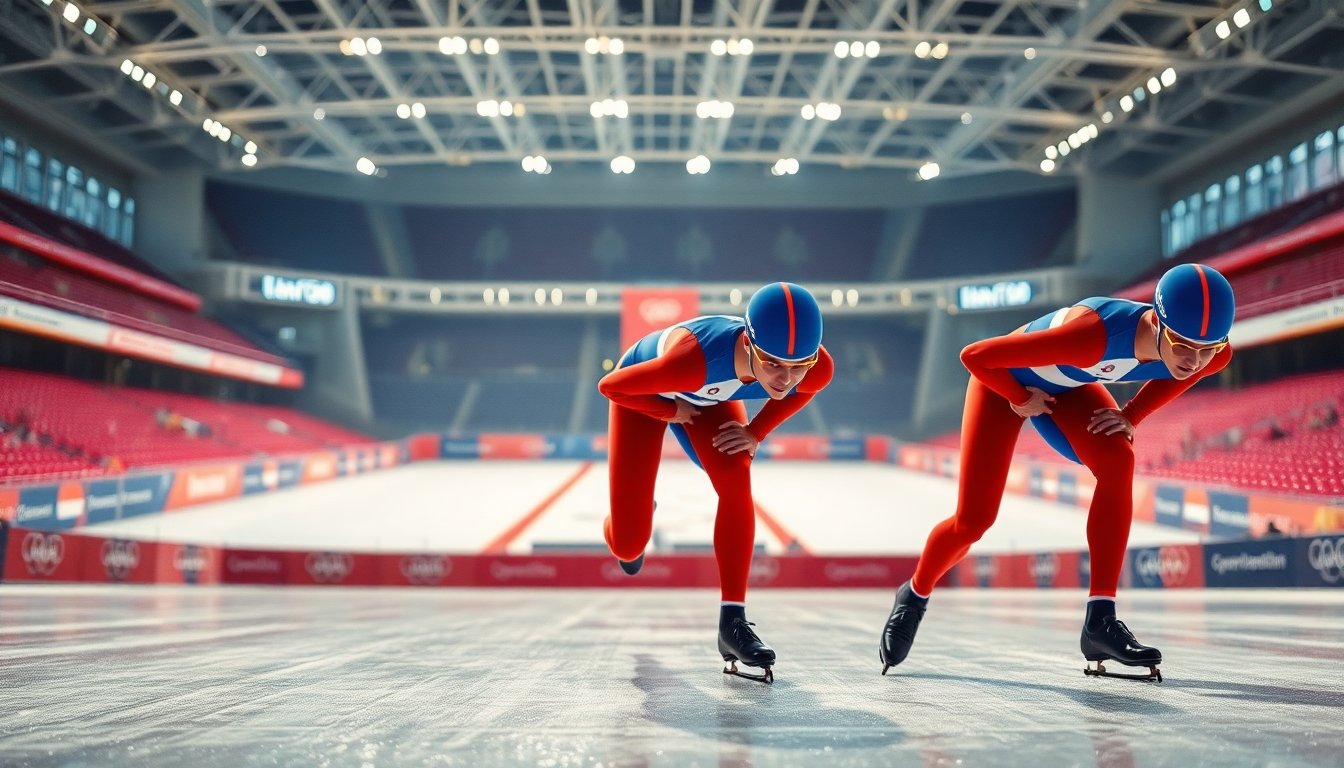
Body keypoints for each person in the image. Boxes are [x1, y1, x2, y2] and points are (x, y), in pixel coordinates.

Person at [878, 263, 1236, 682]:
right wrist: (1018, 397)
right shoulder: (1091, 338)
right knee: (974, 521)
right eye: (1183, 346)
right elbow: (974, 356)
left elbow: (1194, 368)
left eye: (1206, 348)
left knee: (1120, 460)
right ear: (1156, 323)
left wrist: (1133, 414)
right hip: (1004, 384)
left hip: (1069, 386)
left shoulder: (1212, 353)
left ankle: (1100, 620)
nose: (1194, 361)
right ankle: (914, 594)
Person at [597, 282, 834, 683]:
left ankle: (733, 623)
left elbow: (810, 386)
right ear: (748, 343)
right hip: (647, 393)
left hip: (709, 399)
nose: (785, 379)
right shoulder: (691, 362)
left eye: (799, 366)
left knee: (738, 477)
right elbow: (611, 387)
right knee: (629, 543)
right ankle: (631, 518)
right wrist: (671, 408)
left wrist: (756, 432)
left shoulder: (812, 366)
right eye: (773, 363)